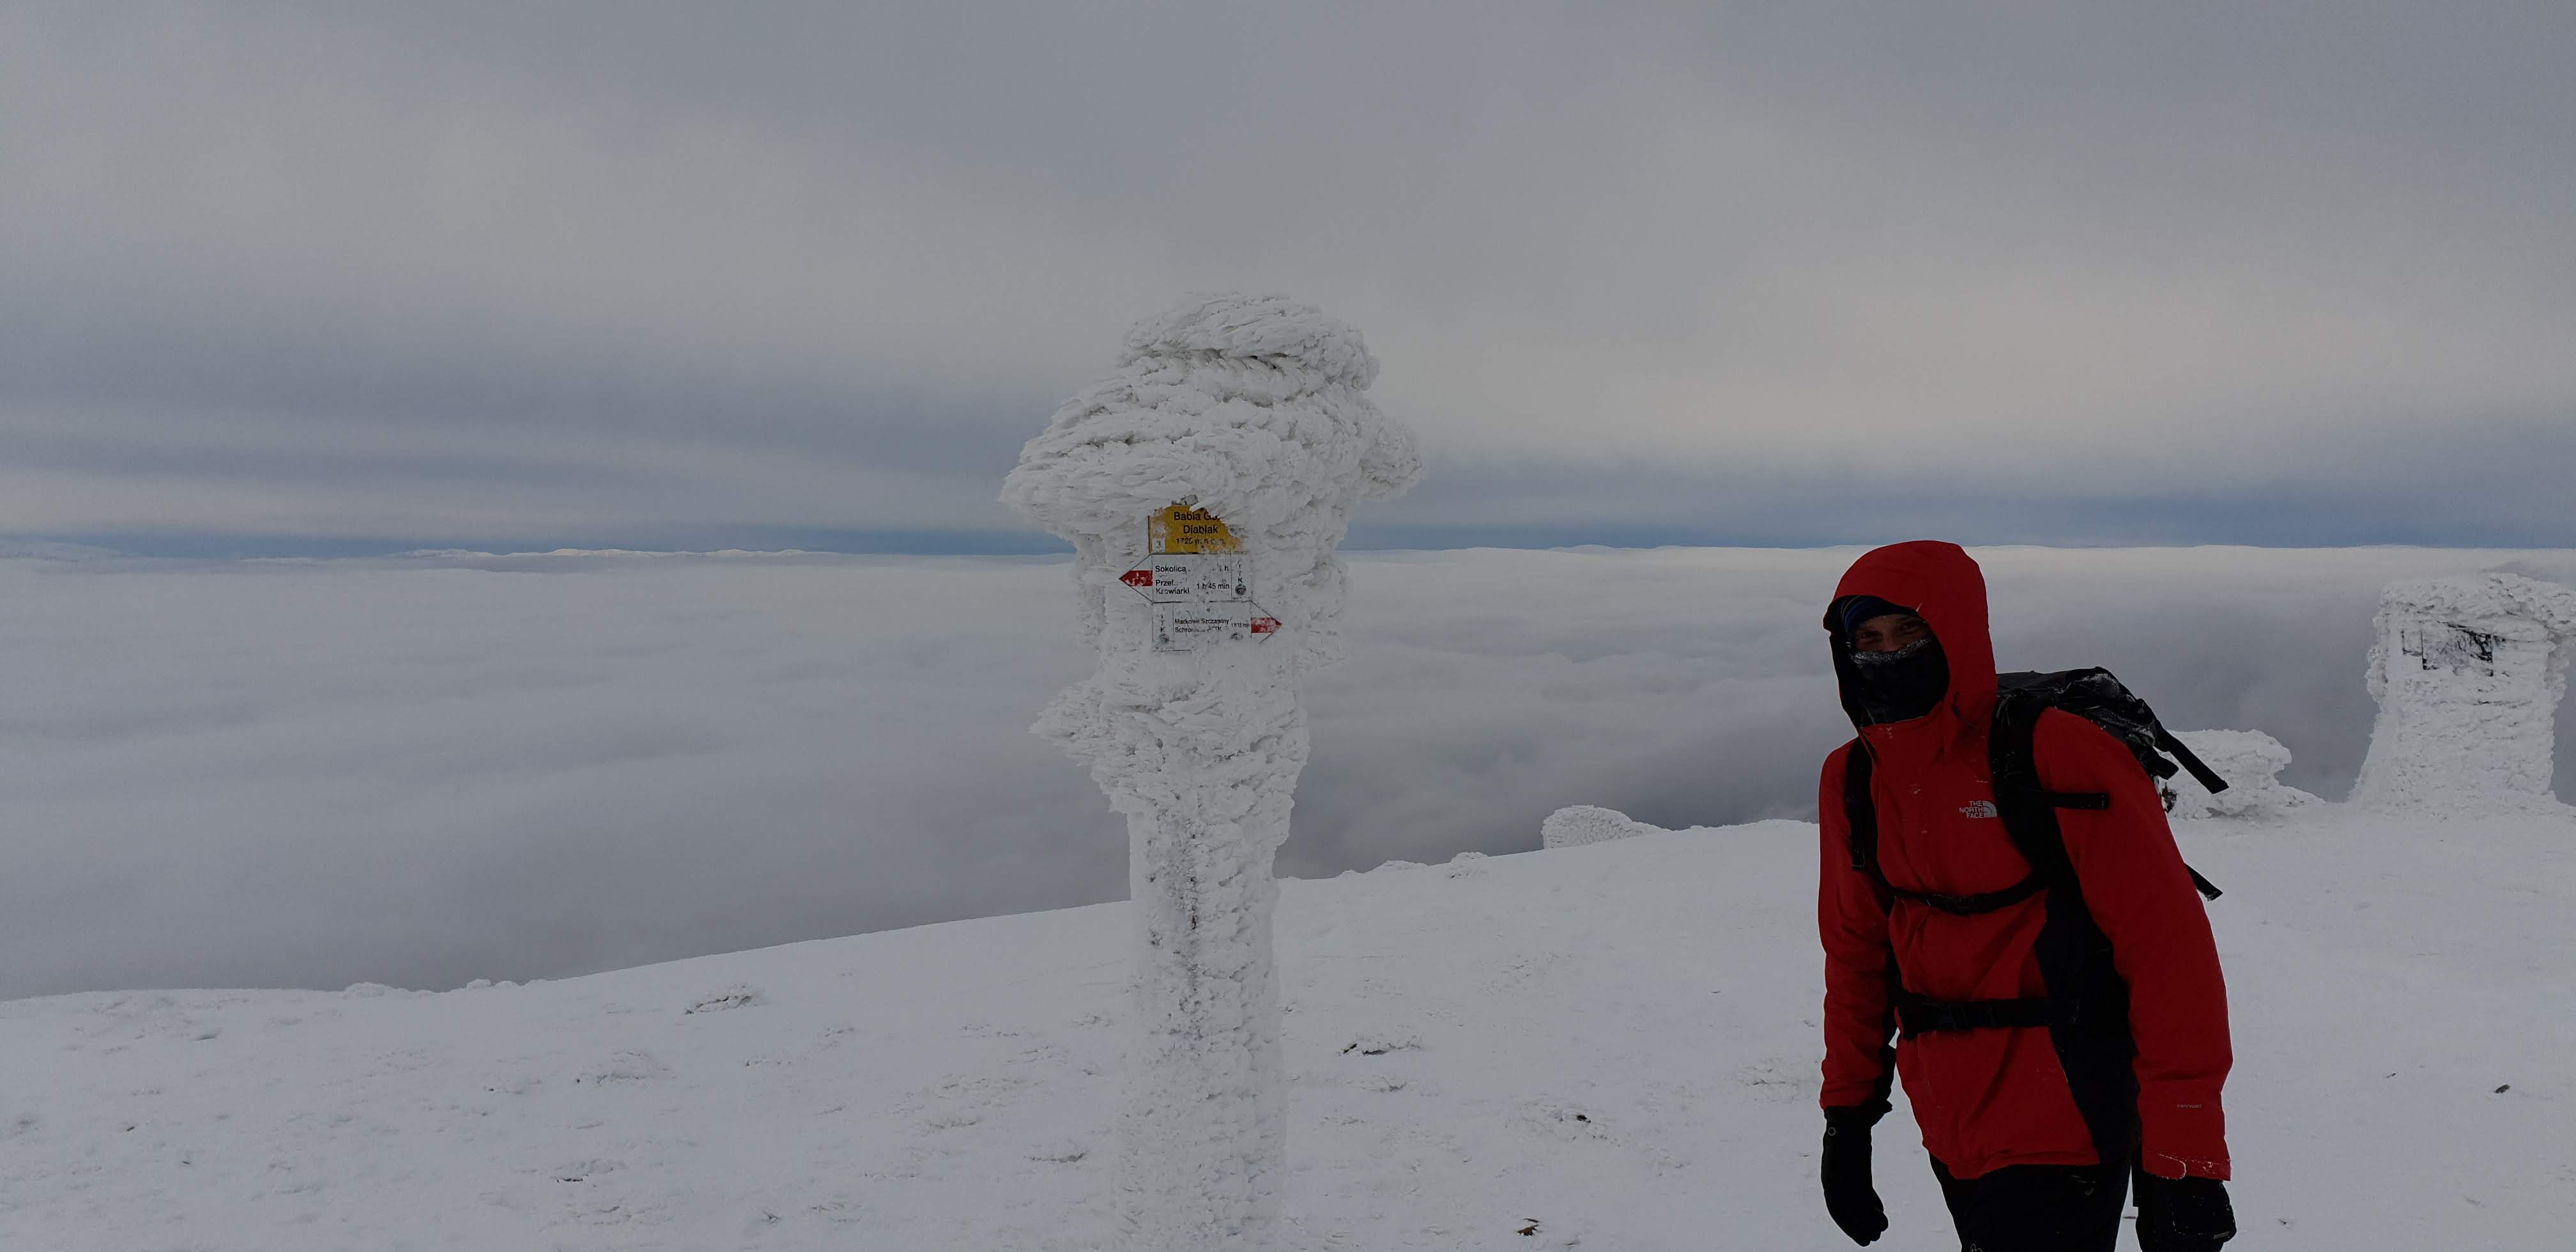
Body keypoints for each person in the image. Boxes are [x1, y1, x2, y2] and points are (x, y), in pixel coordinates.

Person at [1813, 541, 2237, 1251]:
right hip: (1949, 1118)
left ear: (1955, 630)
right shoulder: (1854, 777)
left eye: (1910, 632)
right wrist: (1846, 1117)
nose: (1889, 654)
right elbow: (1856, 953)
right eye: (1870, 639)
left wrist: (2185, 1152)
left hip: (2068, 1105)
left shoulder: (2057, 752)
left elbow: (2168, 951)